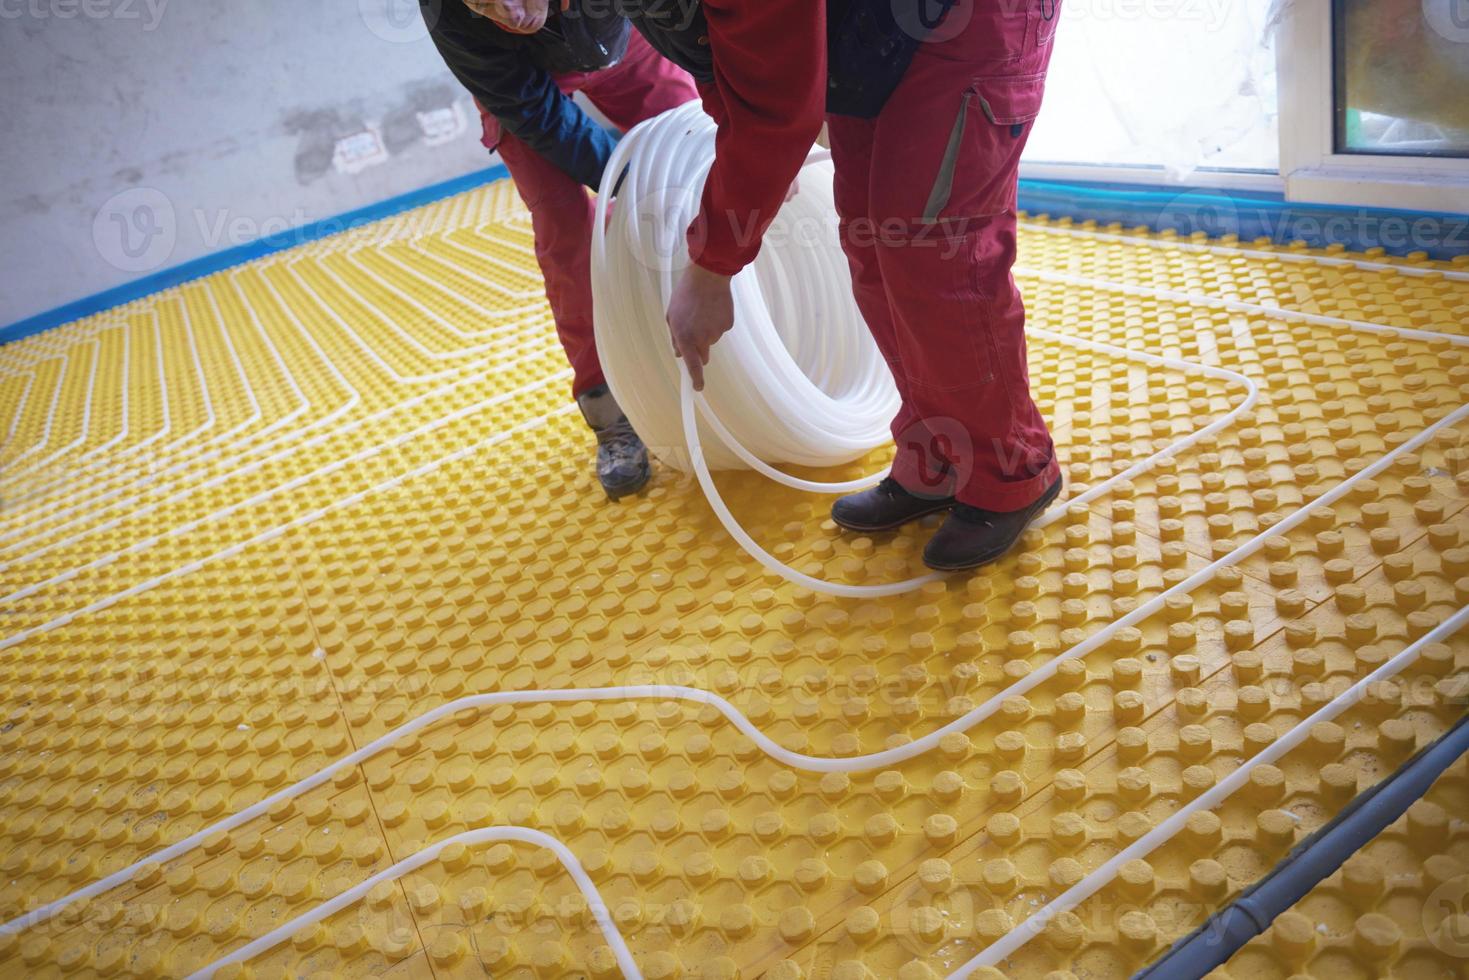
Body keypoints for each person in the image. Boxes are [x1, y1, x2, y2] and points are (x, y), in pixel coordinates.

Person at [819, 0, 1065, 570]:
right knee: (872, 250)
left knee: (940, 254)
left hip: (969, 17)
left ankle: (1011, 468)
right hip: (861, 25)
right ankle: (940, 452)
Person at [423, 0, 698, 499]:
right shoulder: (449, 15)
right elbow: (537, 115)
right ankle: (608, 411)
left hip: (624, 38)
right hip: (523, 80)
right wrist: (630, 181)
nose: (509, 11)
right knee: (563, 227)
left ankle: (746, 343)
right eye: (487, 2)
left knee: (697, 148)